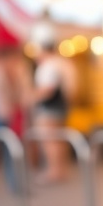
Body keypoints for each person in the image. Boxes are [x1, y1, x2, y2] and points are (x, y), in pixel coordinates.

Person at [32, 39, 73, 184]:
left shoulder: (49, 66)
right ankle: (60, 169)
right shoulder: (61, 63)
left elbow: (48, 90)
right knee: (58, 139)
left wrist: (31, 97)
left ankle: (54, 171)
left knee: (50, 140)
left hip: (49, 107)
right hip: (61, 106)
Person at [0, 45, 32, 190]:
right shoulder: (0, 72)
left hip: (11, 115)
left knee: (12, 149)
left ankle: (16, 183)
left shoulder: (17, 72)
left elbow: (22, 95)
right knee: (10, 147)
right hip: (2, 115)